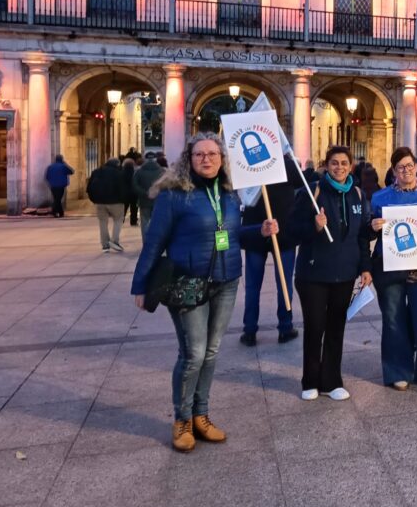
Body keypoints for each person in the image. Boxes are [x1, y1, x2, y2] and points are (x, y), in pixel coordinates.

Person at [130, 132, 278, 453]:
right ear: (189, 159)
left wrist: (260, 231)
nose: (206, 159)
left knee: (211, 352)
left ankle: (201, 415)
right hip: (188, 282)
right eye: (199, 154)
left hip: (227, 280)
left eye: (212, 154)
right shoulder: (174, 196)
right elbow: (154, 242)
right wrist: (140, 284)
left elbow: (232, 234)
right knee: (194, 353)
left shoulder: (228, 193)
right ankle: (182, 419)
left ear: (222, 159)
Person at [291, 145, 373, 402]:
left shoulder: (357, 194)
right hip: (313, 273)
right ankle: (310, 380)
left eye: (344, 163)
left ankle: (331, 381)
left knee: (336, 328)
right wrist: (314, 227)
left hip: (345, 273)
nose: (339, 167)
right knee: (315, 327)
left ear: (351, 166)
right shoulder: (313, 191)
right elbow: (293, 230)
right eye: (334, 163)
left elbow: (362, 235)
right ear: (326, 165)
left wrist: (365, 267)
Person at [370, 147, 417, 391]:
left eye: (410, 166)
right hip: (390, 267)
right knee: (394, 320)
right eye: (400, 167)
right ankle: (398, 370)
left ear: (416, 167)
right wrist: (372, 226)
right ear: (394, 171)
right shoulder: (380, 198)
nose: (406, 171)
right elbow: (365, 231)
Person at [239, 155, 303, 347]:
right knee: (284, 283)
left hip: (256, 229)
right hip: (281, 229)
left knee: (253, 286)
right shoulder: (286, 163)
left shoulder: (247, 162)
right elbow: (300, 182)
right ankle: (285, 326)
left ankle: (250, 329)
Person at [87, 158, 126, 252]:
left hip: (100, 202)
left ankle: (105, 245)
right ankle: (114, 241)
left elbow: (89, 188)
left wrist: (94, 200)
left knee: (102, 222)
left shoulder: (96, 172)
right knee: (118, 220)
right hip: (116, 202)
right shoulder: (119, 173)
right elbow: (123, 188)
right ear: (117, 164)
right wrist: (123, 199)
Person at [133, 152, 164, 236]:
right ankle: (156, 241)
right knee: (157, 223)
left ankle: (146, 241)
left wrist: (145, 193)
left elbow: (134, 185)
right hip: (158, 201)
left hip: (144, 201)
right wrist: (156, 192)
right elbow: (166, 185)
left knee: (145, 223)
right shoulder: (162, 171)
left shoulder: (139, 172)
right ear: (155, 159)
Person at [122, 157, 139, 227]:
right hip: (134, 193)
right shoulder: (136, 172)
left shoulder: (121, 172)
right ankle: (133, 221)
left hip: (124, 193)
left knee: (124, 208)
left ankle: (121, 220)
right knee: (134, 208)